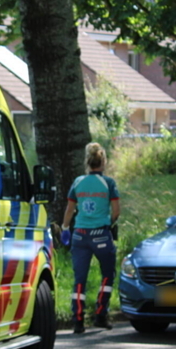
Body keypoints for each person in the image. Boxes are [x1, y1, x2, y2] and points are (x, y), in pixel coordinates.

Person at [61, 142, 120, 334]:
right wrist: (108, 224)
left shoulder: (78, 182)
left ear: (87, 163)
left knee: (79, 279)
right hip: (101, 234)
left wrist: (65, 228)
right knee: (108, 274)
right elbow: (116, 212)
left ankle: (77, 321)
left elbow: (70, 209)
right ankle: (100, 314)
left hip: (80, 235)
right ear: (103, 162)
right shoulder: (108, 183)